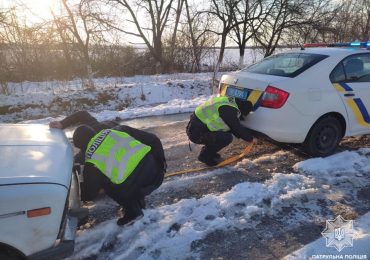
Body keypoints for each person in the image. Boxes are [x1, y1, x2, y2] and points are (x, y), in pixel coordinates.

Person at [50, 111, 166, 226]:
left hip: (144, 186)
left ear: (82, 147)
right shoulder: (119, 129)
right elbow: (153, 139)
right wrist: (161, 162)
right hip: (158, 172)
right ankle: (137, 197)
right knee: (123, 163)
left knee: (106, 182)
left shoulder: (92, 161)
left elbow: (89, 194)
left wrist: (77, 190)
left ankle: (133, 211)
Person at [186, 96, 254, 166]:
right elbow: (236, 127)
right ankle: (204, 157)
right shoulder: (229, 111)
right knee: (226, 138)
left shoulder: (229, 102)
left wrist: (241, 135)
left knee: (224, 132)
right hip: (196, 134)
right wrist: (250, 139)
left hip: (195, 128)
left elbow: (232, 127)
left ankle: (210, 152)